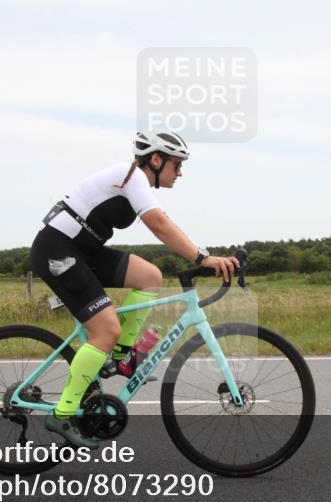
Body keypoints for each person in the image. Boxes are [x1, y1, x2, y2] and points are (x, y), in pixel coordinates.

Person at [30, 132, 239, 448]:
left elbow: (162, 222)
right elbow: (160, 225)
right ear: (156, 159)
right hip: (58, 249)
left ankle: (121, 358)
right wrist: (203, 258)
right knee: (106, 329)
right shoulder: (133, 177)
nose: (179, 173)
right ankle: (63, 413)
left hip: (82, 250)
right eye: (177, 165)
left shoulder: (135, 180)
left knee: (150, 276)